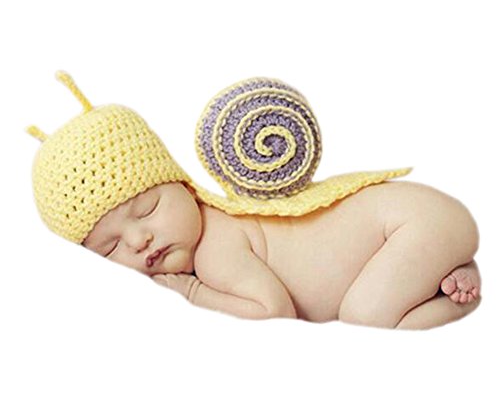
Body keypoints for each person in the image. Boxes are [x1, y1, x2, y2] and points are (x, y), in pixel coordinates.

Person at [27, 71, 481, 330]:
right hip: (416, 225)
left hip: (407, 226)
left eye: (146, 210)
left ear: (181, 183)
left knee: (364, 319)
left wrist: (192, 291)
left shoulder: (216, 248)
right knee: (371, 302)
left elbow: (273, 311)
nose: (138, 240)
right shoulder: (211, 234)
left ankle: (459, 300)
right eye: (109, 247)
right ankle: (444, 270)